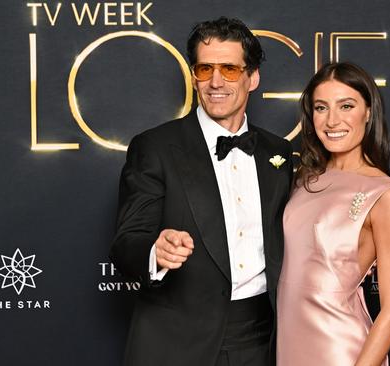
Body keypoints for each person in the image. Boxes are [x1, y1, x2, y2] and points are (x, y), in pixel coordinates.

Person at [110, 17, 293, 366]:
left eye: (229, 69)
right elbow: (126, 241)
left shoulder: (278, 153)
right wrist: (155, 251)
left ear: (252, 78)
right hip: (178, 342)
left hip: (261, 341)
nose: (216, 82)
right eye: (205, 69)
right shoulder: (156, 146)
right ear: (194, 75)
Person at [277, 62, 390, 366]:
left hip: (341, 350)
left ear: (368, 111)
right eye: (321, 108)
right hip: (288, 349)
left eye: (346, 105)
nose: (332, 120)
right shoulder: (303, 182)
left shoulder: (386, 194)